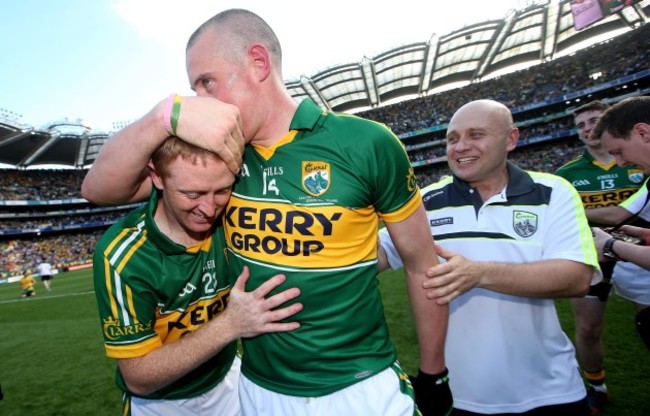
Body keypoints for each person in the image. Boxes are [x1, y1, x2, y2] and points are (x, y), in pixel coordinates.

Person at [81, 9, 450, 416]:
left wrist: (433, 373)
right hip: (259, 393)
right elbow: (99, 190)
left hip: (362, 385)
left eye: (208, 82)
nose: (200, 100)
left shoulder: (367, 143)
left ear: (257, 63)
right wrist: (161, 115)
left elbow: (421, 265)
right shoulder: (213, 160)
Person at [378, 99, 601, 415]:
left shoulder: (553, 191)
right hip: (459, 395)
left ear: (511, 139)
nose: (460, 146)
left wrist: (478, 273)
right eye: (452, 139)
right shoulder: (425, 201)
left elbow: (576, 277)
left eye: (475, 135)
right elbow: (378, 255)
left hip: (552, 390)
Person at [93, 136, 303, 415]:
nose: (209, 209)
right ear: (157, 177)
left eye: (221, 190)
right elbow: (138, 377)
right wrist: (231, 324)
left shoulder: (234, 219)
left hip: (229, 380)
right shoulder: (123, 255)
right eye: (192, 194)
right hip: (161, 405)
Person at [554, 100, 648, 413]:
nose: (587, 129)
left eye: (593, 120)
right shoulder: (567, 174)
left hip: (636, 255)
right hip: (593, 257)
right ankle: (597, 386)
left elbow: (621, 212)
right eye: (580, 125)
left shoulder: (640, 164)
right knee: (588, 329)